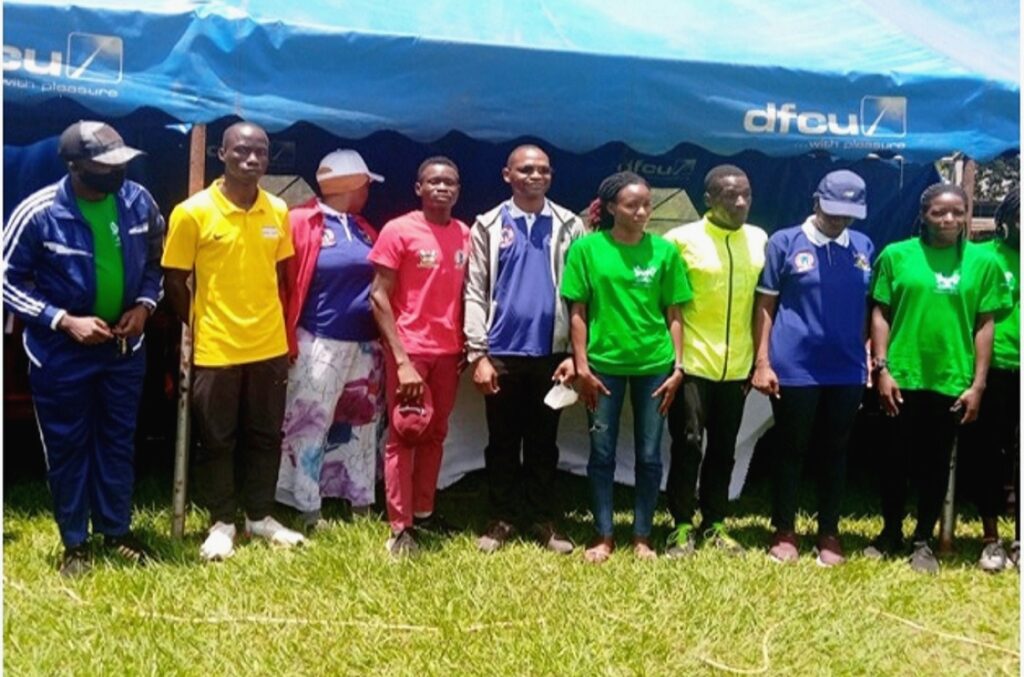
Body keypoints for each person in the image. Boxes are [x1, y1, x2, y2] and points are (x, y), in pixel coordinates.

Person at [2, 121, 164, 576]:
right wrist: (62, 320)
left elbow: (157, 260)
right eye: (104, 166)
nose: (117, 172)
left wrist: (146, 306)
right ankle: (76, 543)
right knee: (68, 446)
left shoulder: (138, 202)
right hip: (60, 355)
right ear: (75, 167)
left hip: (124, 350)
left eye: (121, 163)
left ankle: (117, 531)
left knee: (117, 441)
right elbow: (7, 279)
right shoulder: (38, 213)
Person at [163, 121, 305, 561]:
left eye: (260, 152)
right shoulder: (192, 212)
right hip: (216, 347)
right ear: (220, 155)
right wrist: (199, 323)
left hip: (269, 346)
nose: (251, 160)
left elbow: (281, 276)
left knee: (265, 435)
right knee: (217, 440)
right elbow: (174, 279)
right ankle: (222, 521)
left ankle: (259, 516)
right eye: (241, 152)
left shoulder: (278, 211)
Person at [867, 183, 1011, 574]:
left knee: (935, 464)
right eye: (938, 213)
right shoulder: (896, 255)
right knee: (893, 459)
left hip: (952, 377)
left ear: (966, 215)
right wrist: (882, 368)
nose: (948, 220)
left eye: (956, 212)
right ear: (923, 215)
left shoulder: (982, 264)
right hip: (902, 375)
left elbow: (985, 325)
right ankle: (890, 532)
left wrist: (978, 384)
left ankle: (923, 539)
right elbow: (880, 312)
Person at [561, 171, 690, 563]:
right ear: (612, 207)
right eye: (632, 204)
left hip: (654, 365)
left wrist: (678, 367)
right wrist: (581, 365)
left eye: (647, 204)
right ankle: (603, 535)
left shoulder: (665, 252)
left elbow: (674, 313)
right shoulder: (587, 250)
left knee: (650, 454)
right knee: (601, 453)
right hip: (602, 368)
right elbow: (578, 311)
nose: (642, 211)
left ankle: (642, 536)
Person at [464, 145, 585, 554]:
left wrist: (573, 353)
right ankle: (500, 518)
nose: (535, 176)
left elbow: (581, 296)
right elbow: (474, 290)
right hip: (501, 352)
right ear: (507, 175)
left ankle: (541, 518)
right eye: (526, 170)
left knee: (543, 441)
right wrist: (477, 355)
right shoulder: (487, 225)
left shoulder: (570, 225)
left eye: (543, 171)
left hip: (552, 355)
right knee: (501, 440)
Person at [751, 170, 874, 567]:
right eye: (833, 210)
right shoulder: (785, 242)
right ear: (816, 200)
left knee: (836, 451)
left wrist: (869, 355)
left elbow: (869, 309)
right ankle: (784, 530)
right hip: (795, 366)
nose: (840, 220)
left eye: (849, 213)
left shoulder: (864, 245)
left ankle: (829, 533)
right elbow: (765, 306)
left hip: (846, 368)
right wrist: (763, 361)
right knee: (791, 449)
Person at [276, 149, 386, 532]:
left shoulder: (363, 228)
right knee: (309, 423)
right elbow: (280, 281)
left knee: (361, 423)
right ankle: (306, 506)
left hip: (365, 344)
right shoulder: (300, 221)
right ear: (352, 184)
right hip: (318, 340)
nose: (369, 190)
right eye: (366, 183)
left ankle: (358, 500)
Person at [662, 165, 767, 557]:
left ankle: (716, 523)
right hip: (692, 364)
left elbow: (763, 304)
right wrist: (674, 361)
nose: (739, 202)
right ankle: (681, 524)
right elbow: (665, 303)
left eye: (746, 195)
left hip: (737, 365)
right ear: (709, 200)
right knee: (688, 444)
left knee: (725, 446)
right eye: (729, 195)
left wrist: (759, 360)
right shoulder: (680, 239)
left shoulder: (759, 239)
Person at [368, 156, 471, 557]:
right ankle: (400, 526)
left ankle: (425, 512)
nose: (443, 188)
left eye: (450, 182)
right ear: (419, 188)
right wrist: (403, 360)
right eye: (434, 182)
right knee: (406, 433)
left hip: (449, 353)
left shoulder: (465, 234)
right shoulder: (399, 230)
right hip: (410, 351)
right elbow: (378, 296)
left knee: (436, 434)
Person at [958, 186, 1020, 571]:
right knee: (989, 454)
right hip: (995, 369)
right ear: (1009, 218)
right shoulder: (982, 257)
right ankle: (991, 538)